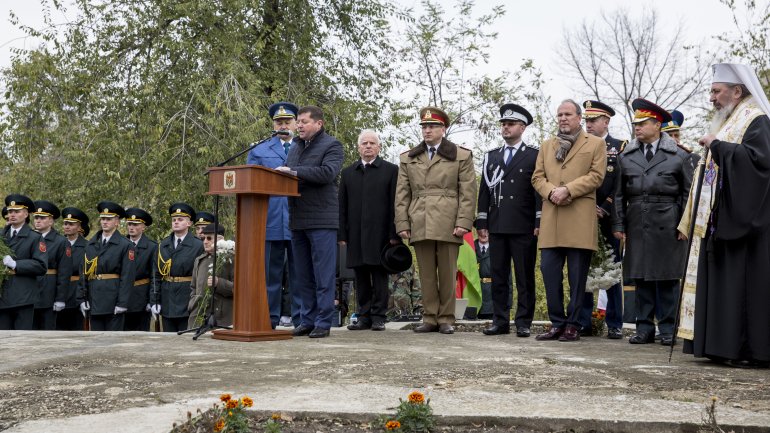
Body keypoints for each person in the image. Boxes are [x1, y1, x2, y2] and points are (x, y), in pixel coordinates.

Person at [680, 63, 770, 367]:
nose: (712, 98)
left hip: (747, 226)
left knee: (744, 289)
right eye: (711, 91)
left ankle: (744, 349)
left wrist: (719, 147)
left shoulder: (756, 119)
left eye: (716, 91)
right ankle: (721, 346)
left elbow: (760, 167)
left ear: (736, 90)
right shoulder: (731, 119)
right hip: (721, 220)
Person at [611, 98, 693, 346]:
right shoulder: (627, 156)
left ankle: (667, 328)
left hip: (668, 220)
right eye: (635, 123)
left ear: (657, 125)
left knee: (667, 278)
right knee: (641, 277)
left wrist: (684, 224)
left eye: (643, 123)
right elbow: (618, 195)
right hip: (637, 219)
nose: (637, 127)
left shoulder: (678, 155)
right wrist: (618, 225)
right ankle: (644, 327)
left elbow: (688, 193)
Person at [395, 107, 476, 335]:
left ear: (443, 129)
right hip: (419, 218)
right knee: (427, 273)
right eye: (424, 126)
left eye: (432, 126)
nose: (427, 130)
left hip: (450, 221)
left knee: (449, 273)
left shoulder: (461, 155)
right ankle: (429, 317)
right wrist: (402, 222)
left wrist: (464, 221)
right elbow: (402, 193)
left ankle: (447, 318)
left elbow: (468, 193)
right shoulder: (409, 157)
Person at [532, 99, 606, 342]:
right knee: (549, 273)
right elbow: (537, 177)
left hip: (578, 219)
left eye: (568, 114)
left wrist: (569, 189)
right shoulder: (547, 145)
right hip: (552, 218)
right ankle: (557, 323)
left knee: (577, 277)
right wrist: (552, 191)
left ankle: (573, 324)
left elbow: (596, 176)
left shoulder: (595, 144)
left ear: (579, 118)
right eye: (560, 114)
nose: (563, 118)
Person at [277, 105, 343, 338]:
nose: (300, 125)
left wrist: (294, 172)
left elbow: (328, 173)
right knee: (302, 274)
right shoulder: (295, 146)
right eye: (299, 122)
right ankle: (307, 319)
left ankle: (323, 322)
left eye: (304, 121)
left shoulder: (332, 145)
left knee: (322, 274)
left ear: (319, 124)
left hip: (322, 219)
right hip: (298, 218)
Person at [477, 103, 541, 337]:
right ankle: (500, 320)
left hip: (523, 225)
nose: (505, 127)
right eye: (503, 124)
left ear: (522, 127)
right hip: (497, 224)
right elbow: (484, 191)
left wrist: (538, 221)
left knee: (524, 277)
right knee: (499, 275)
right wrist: (481, 222)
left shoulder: (534, 155)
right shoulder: (491, 156)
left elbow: (537, 192)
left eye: (511, 124)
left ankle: (523, 321)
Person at [339, 129, 399, 331]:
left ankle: (379, 316)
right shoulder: (348, 173)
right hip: (355, 234)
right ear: (358, 148)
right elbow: (342, 206)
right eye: (364, 143)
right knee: (360, 276)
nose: (368, 146)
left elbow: (395, 204)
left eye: (372, 143)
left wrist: (394, 233)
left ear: (379, 147)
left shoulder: (391, 170)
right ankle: (363, 316)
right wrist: (342, 234)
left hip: (381, 234)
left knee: (379, 275)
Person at [248, 101, 300, 329]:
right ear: (273, 124)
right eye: (279, 122)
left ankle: (302, 319)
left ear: (296, 124)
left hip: (300, 220)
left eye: (287, 121)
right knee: (271, 276)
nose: (283, 125)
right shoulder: (259, 150)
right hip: (269, 221)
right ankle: (269, 320)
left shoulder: (306, 148)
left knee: (300, 276)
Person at [577, 100, 626, 340]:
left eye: (593, 120)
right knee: (582, 269)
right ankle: (584, 321)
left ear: (606, 122)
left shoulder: (620, 147)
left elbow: (620, 185)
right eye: (586, 120)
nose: (589, 124)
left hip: (607, 218)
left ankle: (615, 322)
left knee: (611, 270)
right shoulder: (578, 145)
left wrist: (604, 208)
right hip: (581, 216)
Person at [77, 201, 136, 331]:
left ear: (117, 222)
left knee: (113, 343)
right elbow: (83, 273)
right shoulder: (91, 244)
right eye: (103, 218)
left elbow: (127, 276)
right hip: (94, 299)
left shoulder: (125, 245)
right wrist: (81, 298)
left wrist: (122, 303)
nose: (104, 222)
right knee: (96, 341)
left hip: (113, 301)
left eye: (109, 219)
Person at [151, 203, 204, 333]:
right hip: (167, 298)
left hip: (187, 298)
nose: (176, 222)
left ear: (189, 223)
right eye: (174, 220)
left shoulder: (197, 245)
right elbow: (156, 275)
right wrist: (154, 301)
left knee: (186, 338)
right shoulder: (162, 245)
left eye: (180, 220)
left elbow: (200, 277)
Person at [0, 194, 47, 330]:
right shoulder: (1, 235)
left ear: (26, 214)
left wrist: (16, 264)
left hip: (23, 297)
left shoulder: (34, 237)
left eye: (17, 211)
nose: (12, 214)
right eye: (10, 211)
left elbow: (41, 265)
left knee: (22, 340)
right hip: (3, 297)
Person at [31, 200, 73, 330]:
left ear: (51, 221)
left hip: (49, 292)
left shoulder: (61, 241)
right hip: (30, 291)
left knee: (47, 332)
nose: (38, 220)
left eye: (42, 218)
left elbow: (64, 272)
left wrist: (60, 298)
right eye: (36, 217)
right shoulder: (30, 238)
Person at [188, 224, 234, 328]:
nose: (205, 241)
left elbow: (240, 289)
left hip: (221, 319)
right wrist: (192, 304)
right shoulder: (199, 260)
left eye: (209, 238)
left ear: (221, 239)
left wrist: (219, 283)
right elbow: (194, 288)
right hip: (198, 317)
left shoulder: (231, 259)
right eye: (203, 238)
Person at [124, 208, 158, 331]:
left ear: (143, 227)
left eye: (136, 224)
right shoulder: (121, 244)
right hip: (122, 297)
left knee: (141, 336)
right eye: (129, 224)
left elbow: (154, 276)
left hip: (141, 298)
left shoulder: (152, 247)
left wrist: (151, 301)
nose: (131, 227)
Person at [57, 207, 90, 330]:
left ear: (79, 227)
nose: (67, 226)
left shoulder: (87, 246)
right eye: (65, 223)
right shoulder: (58, 243)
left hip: (76, 292)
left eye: (71, 224)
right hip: (59, 292)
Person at [475, 230, 493, 320]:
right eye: (480, 230)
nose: (483, 234)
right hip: (473, 299)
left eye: (486, 231)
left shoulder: (499, 248)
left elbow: (507, 278)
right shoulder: (469, 247)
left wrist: (507, 303)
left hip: (492, 302)